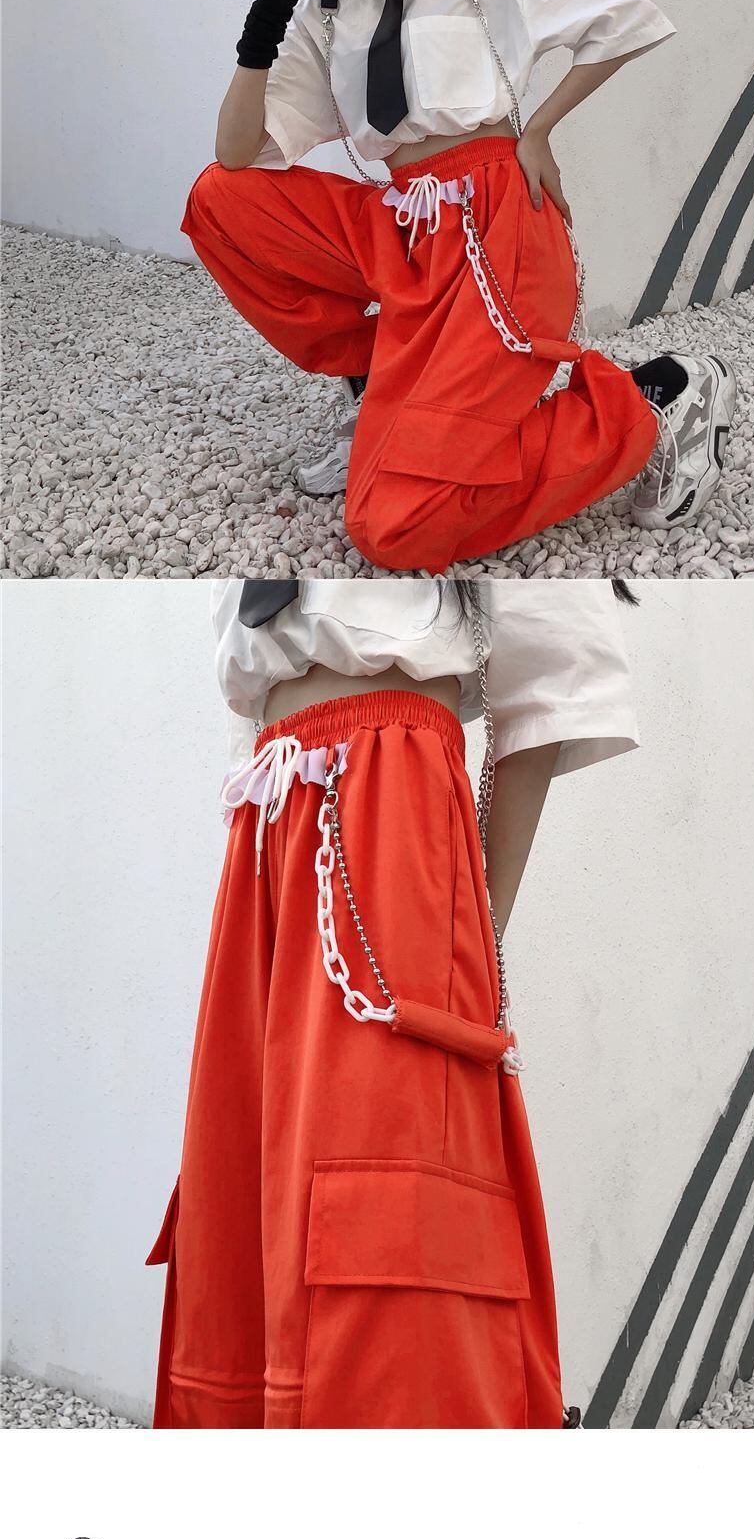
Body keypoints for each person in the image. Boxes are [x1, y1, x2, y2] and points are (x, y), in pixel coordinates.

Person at [180, 0, 737, 574]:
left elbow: (626, 20)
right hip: (405, 226)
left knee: (392, 529)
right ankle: (382, 392)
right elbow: (237, 151)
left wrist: (538, 130)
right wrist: (269, 9)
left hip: (494, 230)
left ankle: (653, 401)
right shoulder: (327, 9)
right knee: (218, 198)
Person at [146, 572, 643, 1430]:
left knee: (386, 1191)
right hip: (267, 817)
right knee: (240, 1173)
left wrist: (471, 929)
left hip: (393, 801)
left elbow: (552, 677)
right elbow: (254, 690)